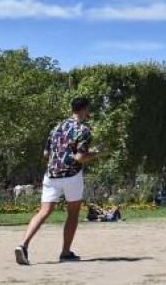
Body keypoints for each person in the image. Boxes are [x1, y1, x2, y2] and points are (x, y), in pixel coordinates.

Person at [14, 97, 101, 266]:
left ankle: (23, 245)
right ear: (84, 109)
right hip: (71, 175)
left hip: (52, 174)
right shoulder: (83, 130)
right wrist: (97, 153)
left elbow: (46, 154)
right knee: (73, 213)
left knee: (44, 211)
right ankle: (65, 252)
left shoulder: (56, 128)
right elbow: (80, 157)